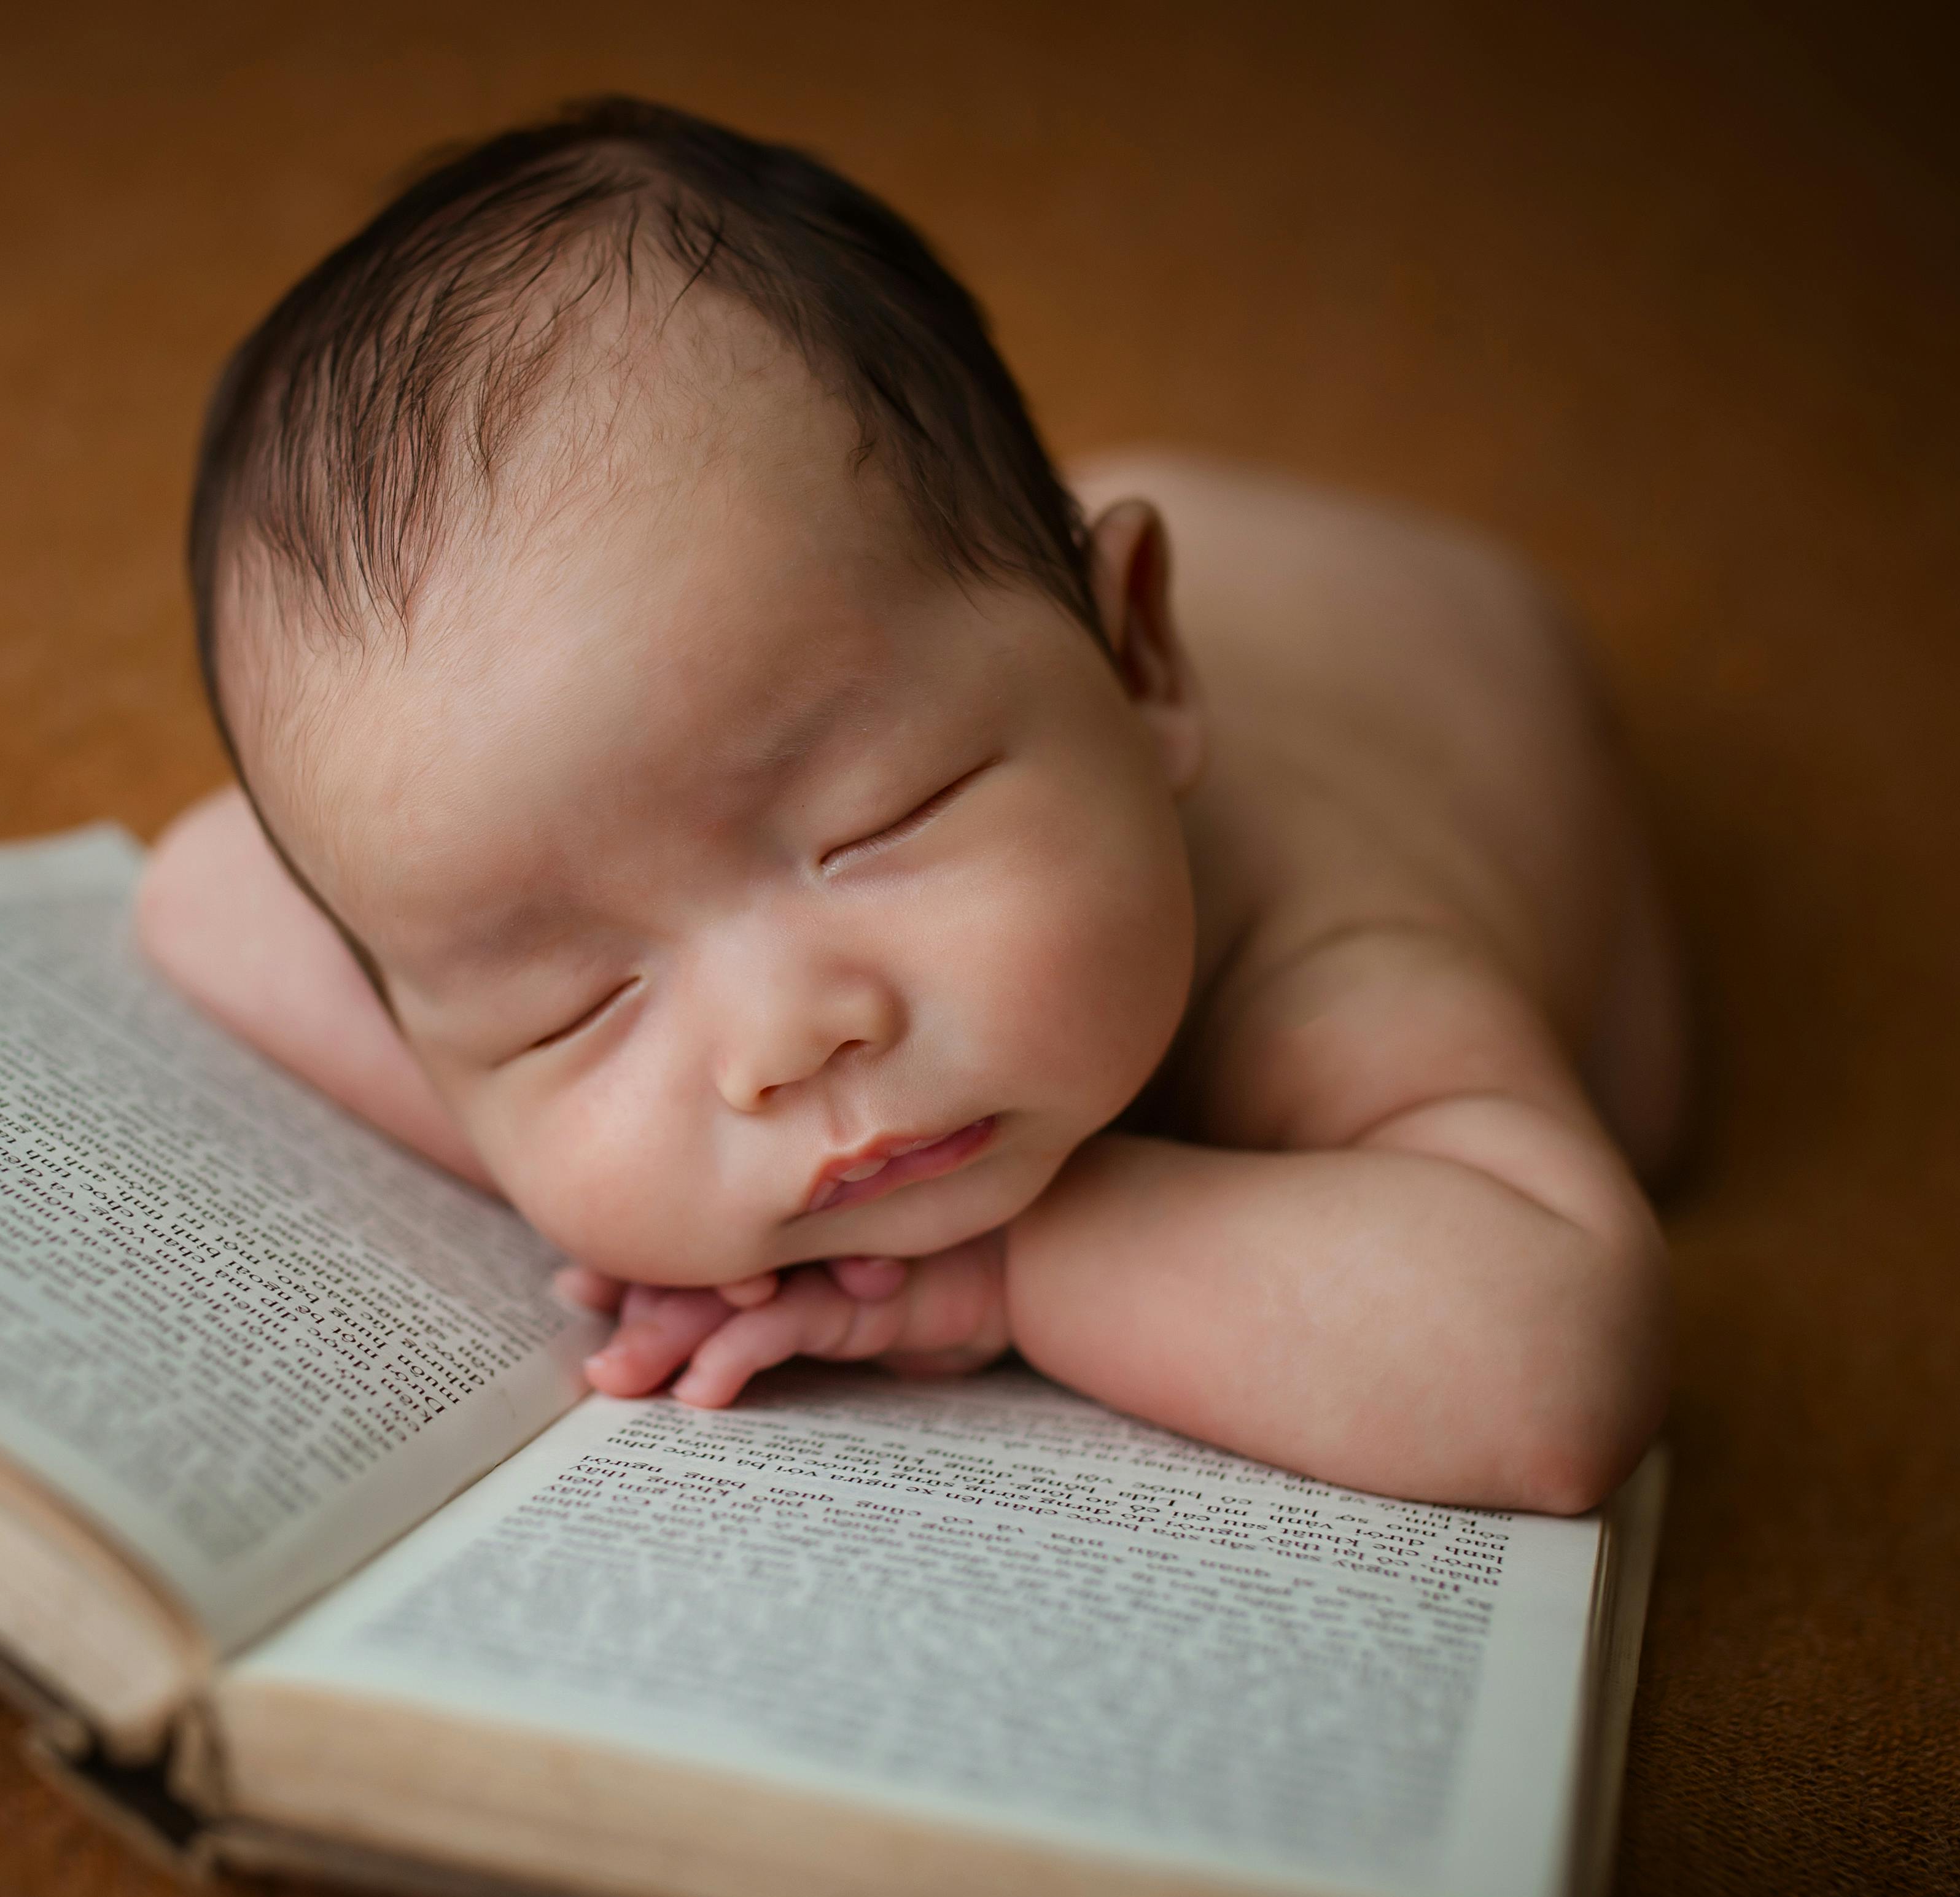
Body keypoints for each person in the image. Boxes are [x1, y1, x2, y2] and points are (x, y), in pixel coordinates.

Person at [136, 98, 1684, 1515]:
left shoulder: (1323, 954)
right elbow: (200, 886)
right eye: (570, 1003)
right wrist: (599, 1157)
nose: (787, 1041)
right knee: (887, 571)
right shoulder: (850, 695)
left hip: (1436, 653)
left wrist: (1002, 1272)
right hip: (958, 599)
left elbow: (1548, 1374)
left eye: (879, 821)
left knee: (1656, 1093)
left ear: (1140, 663)